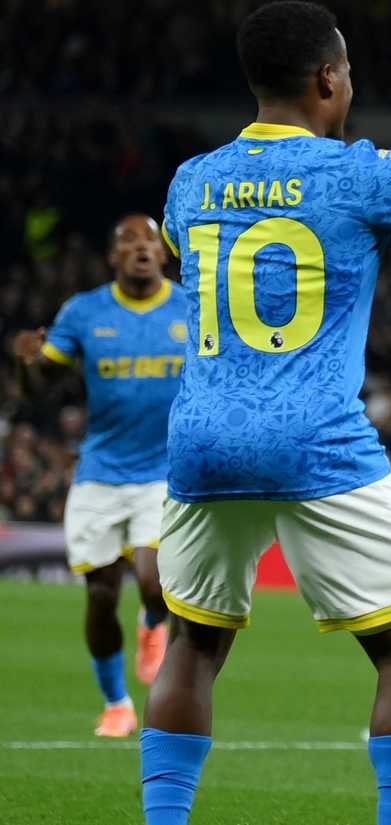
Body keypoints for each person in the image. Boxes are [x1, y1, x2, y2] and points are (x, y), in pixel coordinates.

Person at [138, 3, 391, 823]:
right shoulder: (358, 171)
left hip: (201, 441)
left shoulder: (190, 179)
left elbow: (189, 261)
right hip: (314, 441)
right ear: (328, 78)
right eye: (350, 71)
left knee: (192, 645)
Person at [12, 214, 184, 736]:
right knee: (101, 595)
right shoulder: (84, 312)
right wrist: (26, 364)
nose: (139, 248)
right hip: (102, 472)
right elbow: (40, 391)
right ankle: (116, 703)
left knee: (155, 583)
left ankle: (154, 622)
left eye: (148, 240)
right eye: (127, 240)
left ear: (163, 253)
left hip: (163, 470)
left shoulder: (190, 306)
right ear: (112, 257)